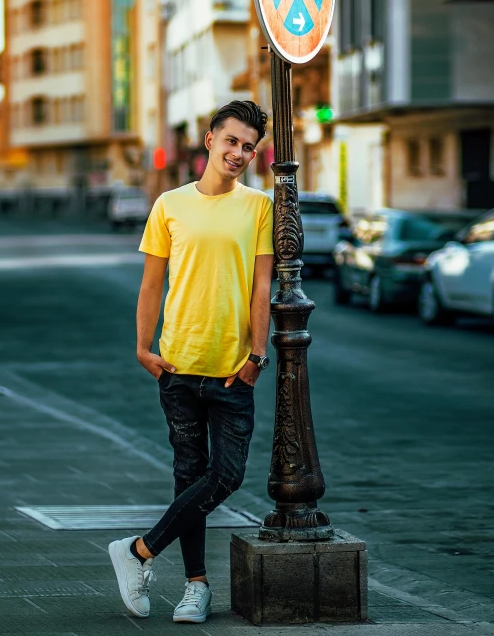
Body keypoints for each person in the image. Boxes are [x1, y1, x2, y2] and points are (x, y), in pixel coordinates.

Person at [108, 100, 274, 624]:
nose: (240, 153)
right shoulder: (169, 204)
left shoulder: (260, 207)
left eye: (249, 147)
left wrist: (257, 355)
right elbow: (152, 282)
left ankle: (137, 551)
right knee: (189, 478)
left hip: (231, 370)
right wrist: (143, 347)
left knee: (225, 476)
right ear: (209, 140)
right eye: (232, 141)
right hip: (178, 366)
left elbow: (263, 285)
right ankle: (195, 587)